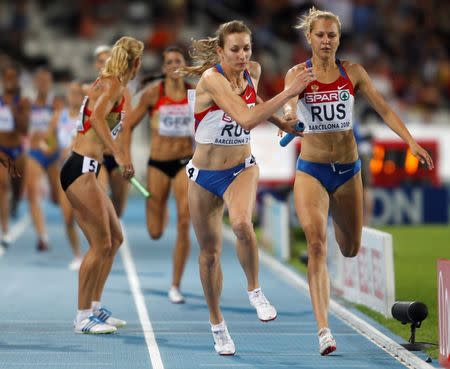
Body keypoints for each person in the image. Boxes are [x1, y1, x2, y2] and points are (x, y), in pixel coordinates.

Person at [282, 7, 434, 356]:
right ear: (309, 38)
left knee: (350, 248)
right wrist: (291, 116)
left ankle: (334, 222)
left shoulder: (352, 72)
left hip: (348, 171)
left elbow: (384, 109)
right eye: (319, 35)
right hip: (311, 171)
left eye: (331, 35)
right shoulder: (297, 74)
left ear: (338, 38)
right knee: (316, 244)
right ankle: (323, 329)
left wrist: (410, 141)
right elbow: (289, 106)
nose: (325, 40)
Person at [182, 20, 315, 355]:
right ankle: (218, 326)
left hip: (241, 167)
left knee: (241, 223)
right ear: (220, 50)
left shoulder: (252, 70)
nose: (243, 55)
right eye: (235, 49)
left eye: (247, 48)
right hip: (203, 174)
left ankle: (254, 290)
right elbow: (244, 118)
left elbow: (255, 104)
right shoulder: (212, 79)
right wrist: (289, 92)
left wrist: (280, 121)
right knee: (209, 255)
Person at [60, 36, 143, 334]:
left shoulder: (109, 83)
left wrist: (118, 152)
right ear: (135, 62)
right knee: (100, 243)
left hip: (87, 168)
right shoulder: (112, 84)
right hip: (80, 167)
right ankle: (82, 316)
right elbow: (96, 118)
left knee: (115, 238)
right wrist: (119, 154)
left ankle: (94, 308)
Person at [129, 46, 194, 304]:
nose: (174, 65)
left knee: (184, 221)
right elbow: (128, 127)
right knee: (155, 232)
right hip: (157, 163)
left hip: (184, 162)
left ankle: (175, 285)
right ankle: (158, 207)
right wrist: (123, 157)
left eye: (178, 60)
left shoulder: (194, 93)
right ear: (164, 67)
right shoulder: (153, 94)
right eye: (169, 61)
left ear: (184, 64)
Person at [49, 80, 84, 269]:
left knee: (85, 216)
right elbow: (49, 142)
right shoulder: (58, 117)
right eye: (70, 93)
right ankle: (78, 255)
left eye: (77, 93)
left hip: (83, 171)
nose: (74, 96)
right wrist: (43, 144)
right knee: (68, 218)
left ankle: (96, 249)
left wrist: (73, 146)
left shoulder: (86, 116)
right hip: (63, 171)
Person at [91, 45, 130, 218]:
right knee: (100, 204)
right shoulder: (90, 91)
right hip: (97, 155)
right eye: (101, 61)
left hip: (117, 157)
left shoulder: (123, 91)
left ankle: (109, 241)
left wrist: (126, 156)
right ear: (96, 65)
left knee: (118, 210)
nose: (104, 65)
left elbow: (127, 126)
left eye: (108, 61)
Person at [26, 67, 59, 251]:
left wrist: (46, 137)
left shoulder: (56, 103)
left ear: (50, 83)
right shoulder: (28, 104)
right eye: (39, 80)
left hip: (53, 154)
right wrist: (32, 139)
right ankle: (42, 236)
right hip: (35, 154)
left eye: (46, 81)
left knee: (57, 198)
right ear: (35, 83)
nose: (42, 84)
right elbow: (24, 130)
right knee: (32, 193)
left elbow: (57, 128)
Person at [0, 64, 30, 248]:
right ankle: (5, 231)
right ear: (4, 80)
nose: (10, 80)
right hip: (1, 149)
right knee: (3, 187)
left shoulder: (23, 102)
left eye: (13, 77)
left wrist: (14, 110)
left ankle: (16, 203)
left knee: (17, 190)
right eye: (7, 77)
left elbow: (25, 129)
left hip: (18, 151)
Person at [0, 151, 21, 255]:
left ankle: (16, 199)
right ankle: (5, 230)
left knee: (6, 187)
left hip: (16, 148)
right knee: (3, 187)